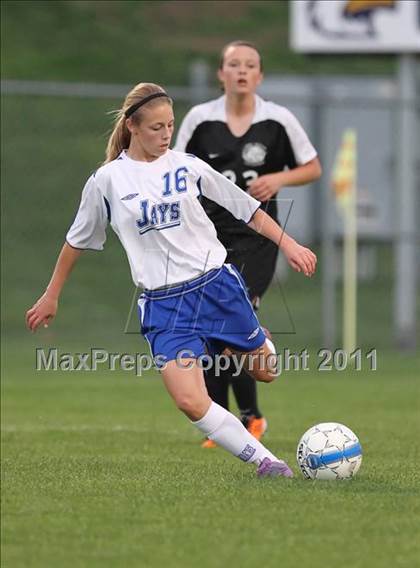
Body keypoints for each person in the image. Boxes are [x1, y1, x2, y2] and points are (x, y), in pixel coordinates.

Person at [26, 82, 317, 479]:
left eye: (170, 126)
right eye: (156, 128)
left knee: (265, 371)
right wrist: (51, 295)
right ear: (132, 126)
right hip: (164, 306)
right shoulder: (107, 181)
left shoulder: (187, 166)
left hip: (215, 288)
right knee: (189, 401)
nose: (166, 135)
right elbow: (76, 241)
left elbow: (248, 210)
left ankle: (257, 337)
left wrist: (290, 245)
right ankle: (267, 462)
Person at [174, 40, 322, 448]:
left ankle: (248, 418)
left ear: (260, 75)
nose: (241, 70)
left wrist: (279, 178)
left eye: (249, 65)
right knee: (211, 327)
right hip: (208, 237)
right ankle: (231, 420)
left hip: (257, 238)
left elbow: (312, 167)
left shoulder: (277, 120)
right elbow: (174, 169)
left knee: (235, 317)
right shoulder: (200, 120)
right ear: (221, 74)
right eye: (233, 64)